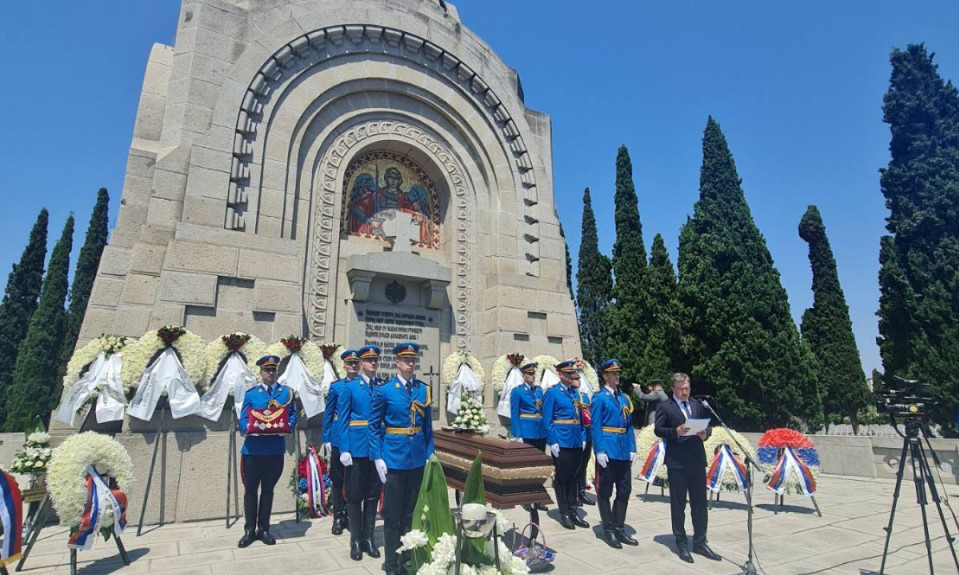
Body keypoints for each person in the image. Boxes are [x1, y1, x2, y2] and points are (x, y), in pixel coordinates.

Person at [370, 341, 434, 575]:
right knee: (392, 515)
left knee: (410, 514)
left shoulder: (423, 389)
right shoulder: (385, 391)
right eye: (405, 359)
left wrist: (429, 454)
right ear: (396, 362)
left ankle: (406, 560)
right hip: (393, 459)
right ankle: (391, 563)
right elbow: (373, 426)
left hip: (416, 459)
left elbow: (427, 426)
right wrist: (377, 457)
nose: (410, 362)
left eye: (412, 359)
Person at [654, 373, 720, 563]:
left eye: (687, 388)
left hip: (697, 460)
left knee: (700, 505)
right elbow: (658, 429)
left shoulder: (698, 405)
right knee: (679, 505)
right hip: (677, 462)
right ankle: (681, 543)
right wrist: (675, 431)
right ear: (673, 388)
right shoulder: (665, 406)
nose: (684, 392)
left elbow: (709, 427)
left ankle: (700, 542)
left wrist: (704, 433)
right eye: (681, 388)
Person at [237, 355, 297, 548]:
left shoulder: (285, 393)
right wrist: (248, 428)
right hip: (253, 451)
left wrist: (288, 425)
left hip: (274, 450)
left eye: (273, 370)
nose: (270, 373)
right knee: (250, 491)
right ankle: (249, 530)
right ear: (261, 373)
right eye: (267, 370)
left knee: (268, 490)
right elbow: (243, 419)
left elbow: (293, 415)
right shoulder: (252, 394)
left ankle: (264, 529)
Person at [336, 345, 384, 561]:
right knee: (355, 495)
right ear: (362, 364)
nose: (372, 364)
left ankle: (368, 538)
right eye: (368, 360)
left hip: (376, 450)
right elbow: (343, 420)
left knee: (373, 494)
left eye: (375, 360)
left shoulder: (382, 387)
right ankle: (355, 540)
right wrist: (344, 448)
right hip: (356, 449)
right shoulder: (351, 387)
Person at [592, 359, 638, 549]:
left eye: (618, 373)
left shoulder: (624, 398)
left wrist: (632, 447)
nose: (617, 376)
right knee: (605, 491)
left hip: (622, 449)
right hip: (608, 450)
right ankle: (608, 530)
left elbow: (628, 426)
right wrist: (599, 450)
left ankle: (619, 528)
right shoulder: (599, 398)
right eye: (613, 373)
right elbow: (595, 426)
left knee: (624, 490)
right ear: (605, 376)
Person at [543, 359, 589, 530]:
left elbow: (581, 416)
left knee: (575, 477)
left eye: (572, 374)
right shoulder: (553, 393)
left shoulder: (575, 393)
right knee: (563, 478)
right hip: (562, 441)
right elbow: (547, 420)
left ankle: (573, 510)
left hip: (576, 440)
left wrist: (583, 436)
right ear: (560, 374)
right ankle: (564, 512)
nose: (572, 377)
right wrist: (553, 442)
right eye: (568, 374)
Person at [322, 349, 360, 536]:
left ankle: (353, 516)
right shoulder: (337, 387)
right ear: (344, 365)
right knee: (338, 479)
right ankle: (338, 516)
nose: (353, 366)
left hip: (357, 440)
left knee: (354, 480)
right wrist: (326, 437)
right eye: (349, 363)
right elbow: (328, 414)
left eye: (356, 363)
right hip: (338, 437)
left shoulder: (363, 385)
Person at [574, 362, 595, 507]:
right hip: (577, 437)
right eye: (575, 379)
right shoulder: (571, 397)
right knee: (575, 467)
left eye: (579, 379)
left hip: (587, 436)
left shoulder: (585, 397)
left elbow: (589, 416)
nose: (578, 382)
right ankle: (574, 494)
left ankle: (581, 492)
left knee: (584, 466)